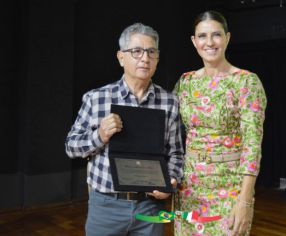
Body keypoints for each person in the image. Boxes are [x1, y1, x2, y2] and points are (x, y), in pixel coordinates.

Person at [65, 22, 184, 236]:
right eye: (136, 51)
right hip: (106, 206)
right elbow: (71, 147)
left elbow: (176, 153)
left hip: (150, 206)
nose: (145, 58)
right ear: (121, 57)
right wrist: (99, 136)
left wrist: (171, 181)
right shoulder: (96, 98)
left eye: (151, 52)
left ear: (157, 58)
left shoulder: (170, 102)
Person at [174, 11, 267, 236]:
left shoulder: (246, 81)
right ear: (194, 41)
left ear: (227, 38)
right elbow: (165, 127)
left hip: (230, 186)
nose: (210, 42)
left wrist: (245, 199)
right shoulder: (185, 82)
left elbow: (253, 146)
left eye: (216, 35)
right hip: (190, 186)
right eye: (202, 36)